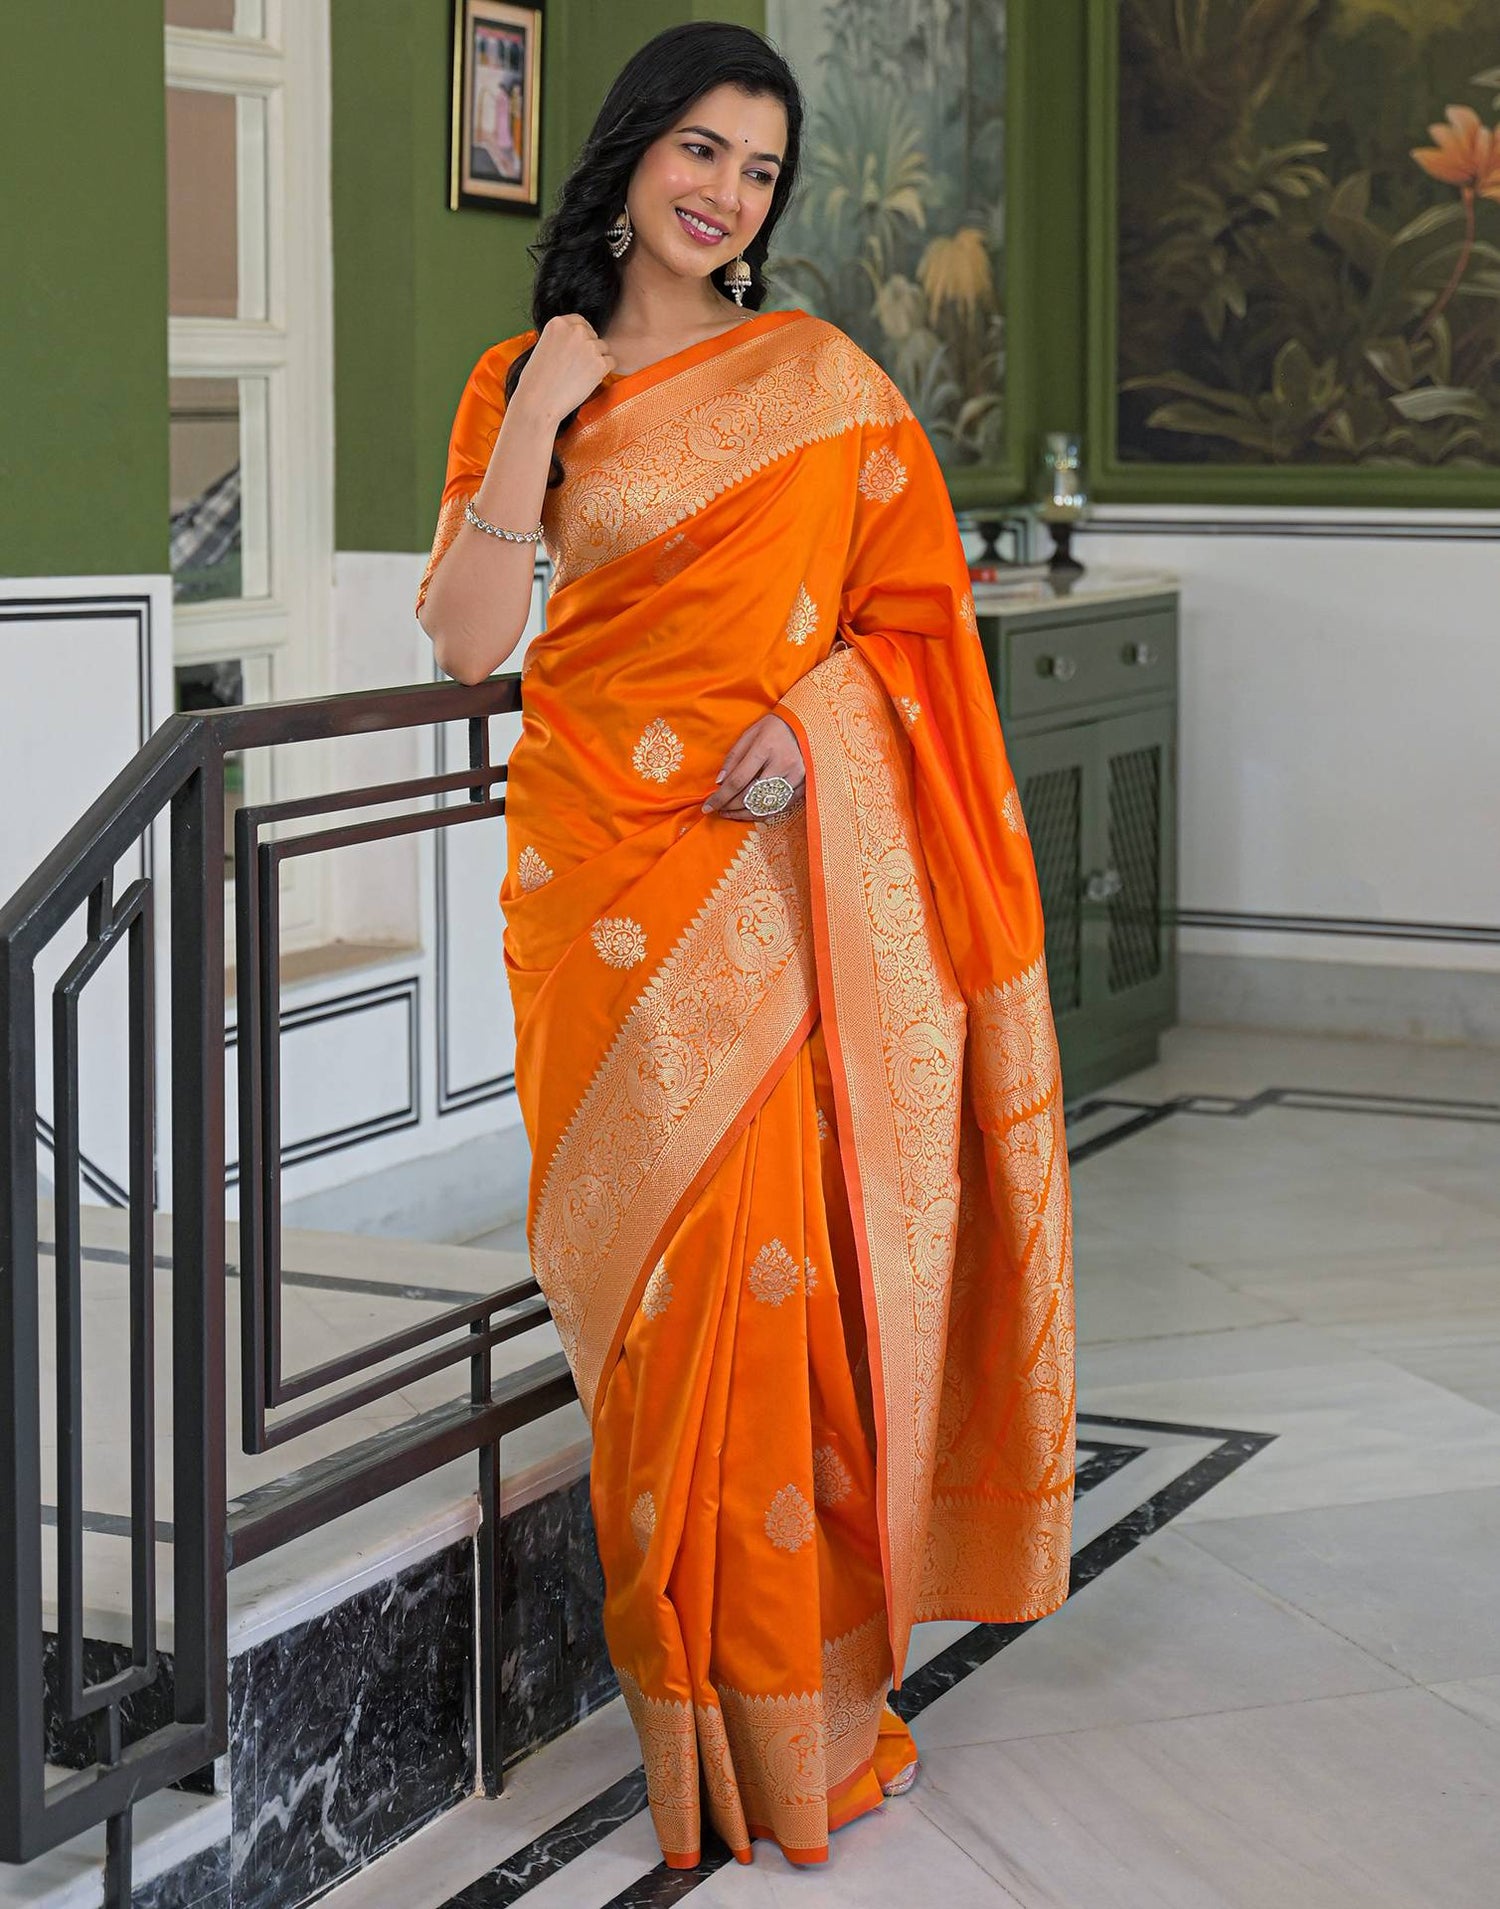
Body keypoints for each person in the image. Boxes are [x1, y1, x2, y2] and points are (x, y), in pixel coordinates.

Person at [417, 20, 1076, 1873]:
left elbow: (917, 628)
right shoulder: (515, 381)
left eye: (760, 170)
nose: (724, 192)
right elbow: (471, 640)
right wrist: (542, 413)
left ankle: (793, 1729)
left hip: (766, 892)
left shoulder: (821, 383)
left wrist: (827, 709)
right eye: (698, 150)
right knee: (645, 1336)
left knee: (764, 1307)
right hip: (591, 896)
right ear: (629, 157)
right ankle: (690, 1725)